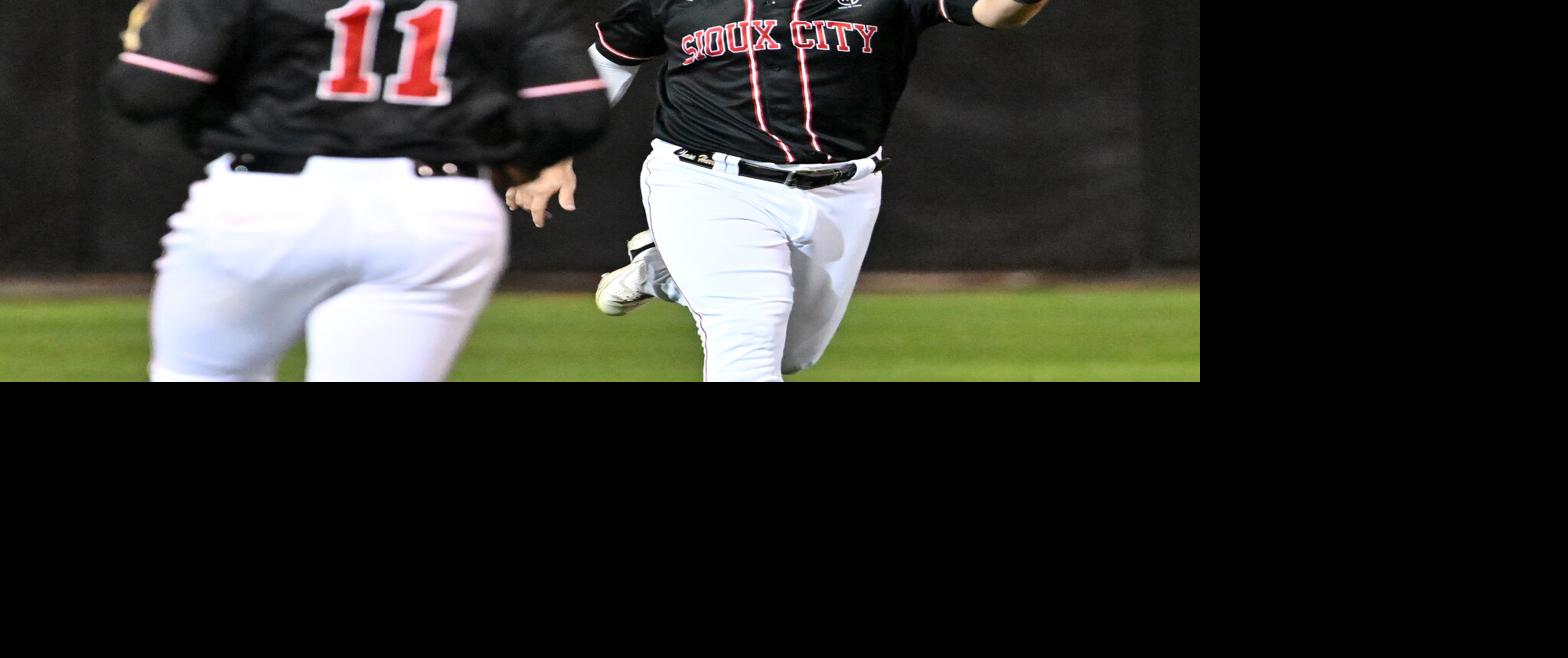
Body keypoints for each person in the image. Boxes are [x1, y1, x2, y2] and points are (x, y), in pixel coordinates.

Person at [507, 0, 1049, 382]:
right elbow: (608, 58)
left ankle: (667, 269)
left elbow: (997, 10)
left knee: (792, 355)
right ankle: (690, 259)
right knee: (746, 347)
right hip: (707, 181)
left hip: (842, 190)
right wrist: (552, 151)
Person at [104, 0, 610, 382]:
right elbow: (576, 113)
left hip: (267, 197)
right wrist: (499, 146)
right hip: (437, 207)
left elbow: (146, 92)